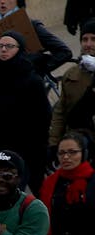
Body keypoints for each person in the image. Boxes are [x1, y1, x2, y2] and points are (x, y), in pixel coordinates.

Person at [0, 32, 53, 198]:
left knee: (30, 188)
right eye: (1, 46)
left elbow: (43, 116)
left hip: (27, 145)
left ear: (19, 49)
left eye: (9, 46)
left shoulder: (31, 79)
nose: (4, 50)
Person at [50, 21, 95, 149]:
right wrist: (54, 144)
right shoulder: (71, 75)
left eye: (93, 39)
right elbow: (60, 112)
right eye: (84, 39)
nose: (88, 44)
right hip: (79, 145)